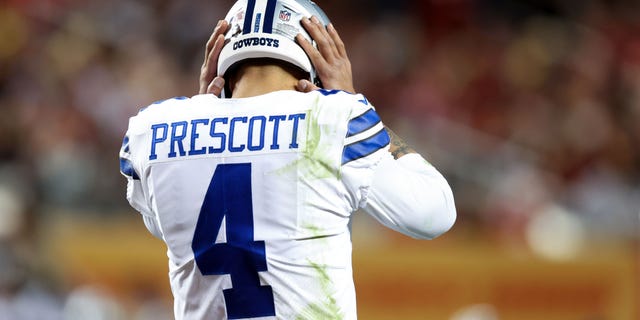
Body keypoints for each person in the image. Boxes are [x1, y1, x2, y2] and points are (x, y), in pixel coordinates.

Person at [119, 0, 456, 319]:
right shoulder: (334, 117)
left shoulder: (152, 128)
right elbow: (435, 214)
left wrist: (205, 111)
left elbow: (166, 223)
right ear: (317, 64)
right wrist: (355, 105)